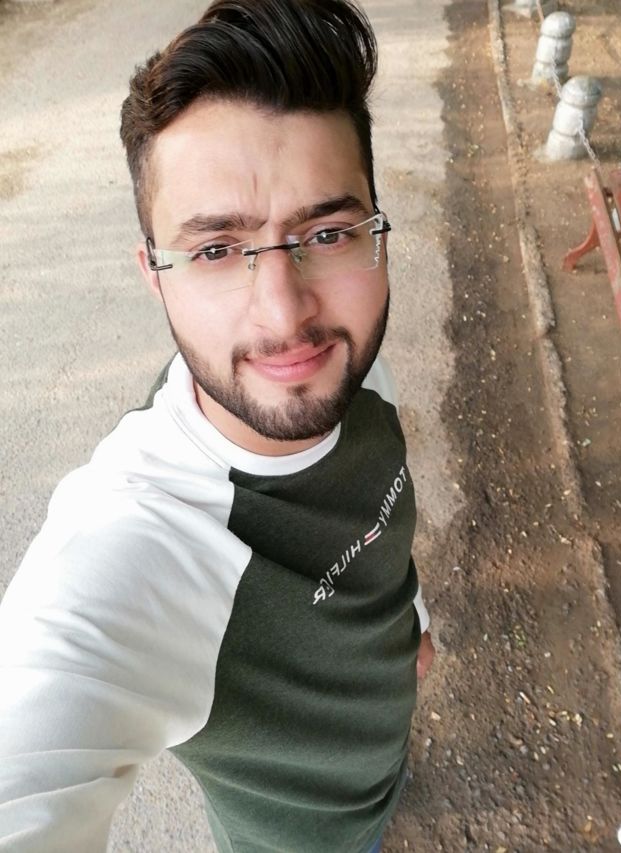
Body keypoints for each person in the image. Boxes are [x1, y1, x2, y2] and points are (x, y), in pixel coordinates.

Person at [0, 1, 435, 851]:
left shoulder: (351, 369)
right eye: (214, 249)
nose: (287, 315)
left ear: (375, 232)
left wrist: (409, 617)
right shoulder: (134, 543)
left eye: (329, 232)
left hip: (385, 760)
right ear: (153, 273)